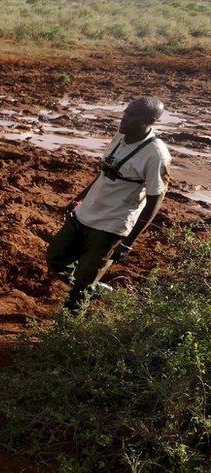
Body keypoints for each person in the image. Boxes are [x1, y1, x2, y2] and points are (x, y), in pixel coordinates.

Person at [46, 97, 171, 312]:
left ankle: (67, 330)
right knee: (56, 258)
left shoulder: (156, 154)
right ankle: (94, 288)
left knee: (82, 285)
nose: (125, 118)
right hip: (86, 212)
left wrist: (128, 242)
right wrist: (79, 198)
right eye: (126, 112)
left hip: (112, 224)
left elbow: (155, 199)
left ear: (150, 120)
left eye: (133, 115)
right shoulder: (121, 136)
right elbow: (106, 171)